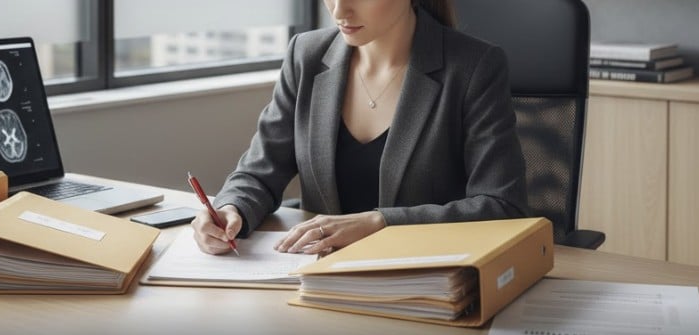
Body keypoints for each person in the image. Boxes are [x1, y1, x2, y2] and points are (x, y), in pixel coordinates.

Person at [192, 0, 529, 255]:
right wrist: (230, 209)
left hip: (421, 280)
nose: (340, 10)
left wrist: (379, 223)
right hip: (318, 281)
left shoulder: (474, 68)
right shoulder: (306, 56)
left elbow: (502, 205)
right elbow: (259, 172)